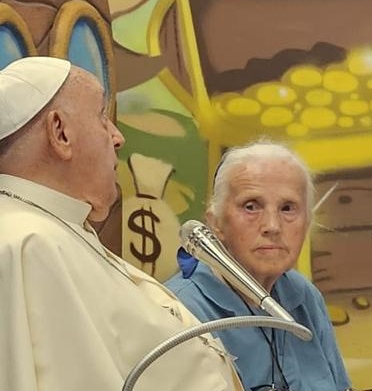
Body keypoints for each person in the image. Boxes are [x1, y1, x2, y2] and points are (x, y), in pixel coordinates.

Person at [0, 56, 243, 391]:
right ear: (60, 132)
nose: (117, 137)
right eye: (102, 116)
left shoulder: (57, 227)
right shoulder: (30, 242)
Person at [166, 141, 351, 391]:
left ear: (307, 222)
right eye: (251, 206)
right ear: (216, 222)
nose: (272, 226)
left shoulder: (303, 295)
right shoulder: (179, 310)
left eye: (288, 208)